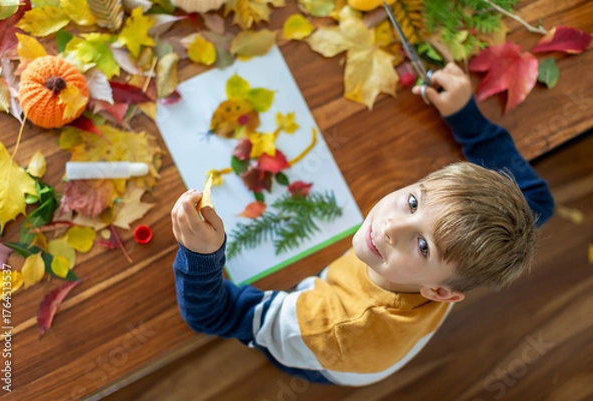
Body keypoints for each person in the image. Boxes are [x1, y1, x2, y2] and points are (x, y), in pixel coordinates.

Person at [170, 62, 554, 386]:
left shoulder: (328, 326)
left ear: (439, 291)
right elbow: (537, 202)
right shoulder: (476, 249)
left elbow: (215, 315)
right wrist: (464, 114)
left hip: (327, 354)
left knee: (277, 343)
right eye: (414, 201)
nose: (392, 227)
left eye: (423, 246)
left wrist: (201, 255)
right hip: (362, 331)